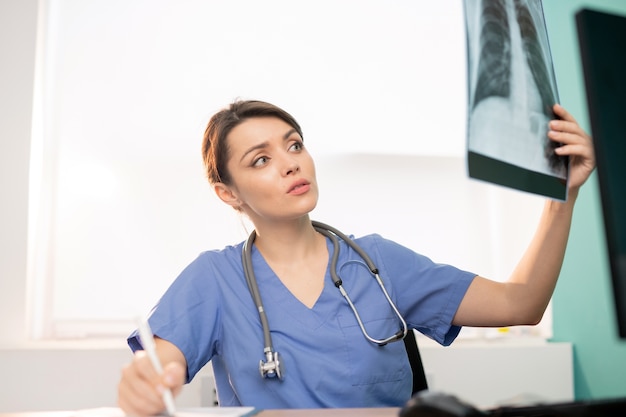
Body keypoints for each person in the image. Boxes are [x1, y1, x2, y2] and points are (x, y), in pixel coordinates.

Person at [117, 99, 595, 415]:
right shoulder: (214, 278)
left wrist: (563, 198)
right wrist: (147, 387)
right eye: (260, 159)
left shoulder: (379, 262)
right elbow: (159, 368)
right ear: (228, 194)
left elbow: (521, 305)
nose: (290, 162)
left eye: (294, 144)